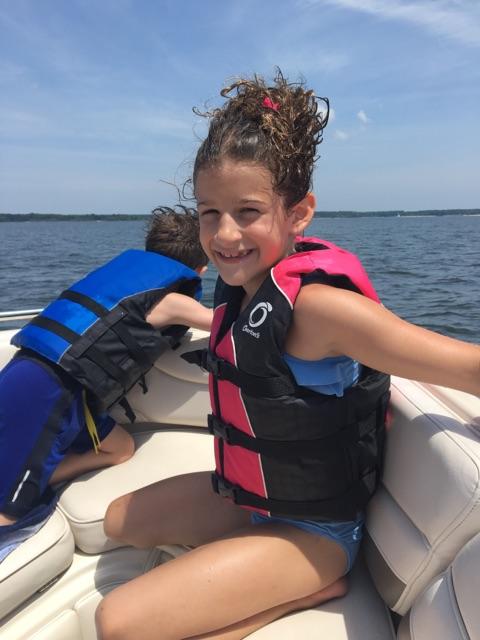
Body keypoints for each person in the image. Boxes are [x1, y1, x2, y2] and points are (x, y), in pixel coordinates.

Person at [95, 71, 480, 640]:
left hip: (316, 531)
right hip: (251, 497)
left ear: (298, 213)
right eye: (209, 212)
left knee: (116, 624)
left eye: (247, 211)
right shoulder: (244, 291)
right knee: (117, 521)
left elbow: (468, 366)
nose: (225, 235)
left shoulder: (320, 309)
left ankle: (312, 587)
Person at [0, 206, 212, 562]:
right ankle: (29, 480)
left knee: (121, 448)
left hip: (34, 370)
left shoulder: (120, 280)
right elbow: (224, 324)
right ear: (201, 269)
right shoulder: (172, 300)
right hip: (51, 390)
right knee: (10, 512)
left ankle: (41, 475)